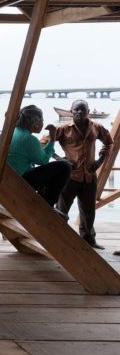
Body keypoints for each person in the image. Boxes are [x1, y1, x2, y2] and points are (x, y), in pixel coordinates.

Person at [54, 100, 114, 249]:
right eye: (76, 110)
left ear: (88, 111)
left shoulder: (96, 127)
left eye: (83, 110)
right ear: (71, 111)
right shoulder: (63, 129)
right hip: (69, 176)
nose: (79, 112)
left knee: (88, 210)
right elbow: (44, 144)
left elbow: (109, 142)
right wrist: (60, 160)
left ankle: (88, 240)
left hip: (89, 175)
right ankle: (59, 239)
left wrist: (100, 160)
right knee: (61, 209)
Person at [7, 105, 71, 209]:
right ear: (35, 124)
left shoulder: (12, 132)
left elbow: (38, 157)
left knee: (52, 171)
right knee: (65, 167)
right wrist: (53, 139)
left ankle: (41, 200)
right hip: (18, 182)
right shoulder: (29, 139)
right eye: (42, 120)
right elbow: (44, 160)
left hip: (9, 178)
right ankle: (47, 204)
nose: (43, 123)